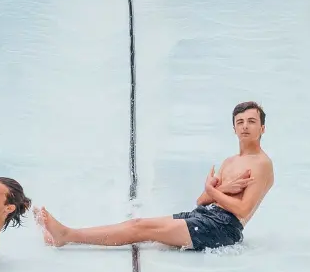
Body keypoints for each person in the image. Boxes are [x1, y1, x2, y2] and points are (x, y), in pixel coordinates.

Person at [37, 101, 275, 252]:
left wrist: (214, 190)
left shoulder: (262, 164)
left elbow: (242, 210)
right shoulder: (230, 162)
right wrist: (219, 190)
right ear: (234, 128)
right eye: (240, 122)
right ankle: (66, 235)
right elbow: (201, 201)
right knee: (137, 224)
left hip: (223, 229)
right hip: (204, 216)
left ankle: (67, 235)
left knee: (142, 229)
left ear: (262, 128)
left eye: (251, 122)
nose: (245, 126)